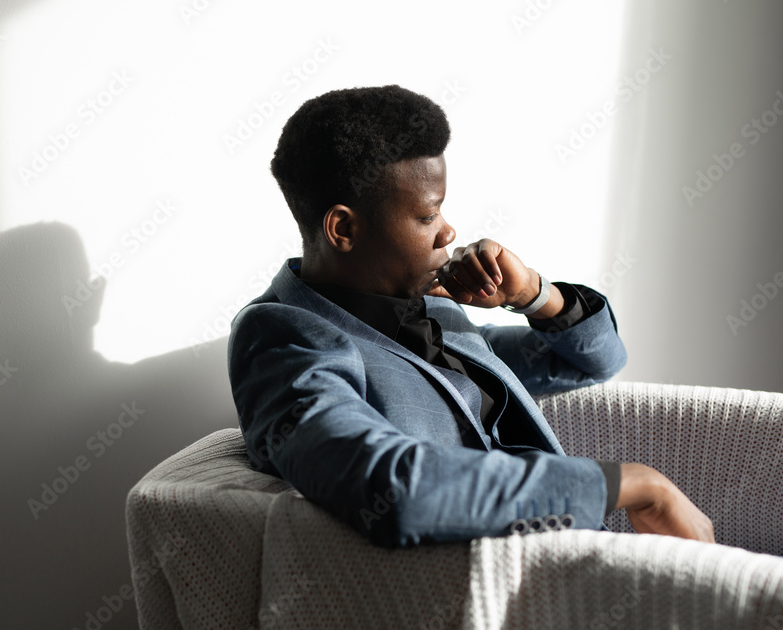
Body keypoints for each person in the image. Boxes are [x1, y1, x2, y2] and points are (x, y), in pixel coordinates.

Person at [227, 84, 715, 549]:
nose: (449, 232)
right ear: (343, 228)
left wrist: (530, 294)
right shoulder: (281, 336)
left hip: (602, 556)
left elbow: (595, 362)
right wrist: (629, 484)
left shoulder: (434, 306)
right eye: (427, 216)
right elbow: (387, 486)